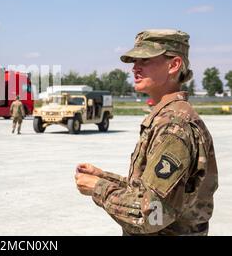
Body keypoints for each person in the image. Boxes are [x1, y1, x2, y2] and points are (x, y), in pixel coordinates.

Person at [74, 29, 218, 236]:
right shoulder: (168, 117)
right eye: (134, 61)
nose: (135, 68)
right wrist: (103, 177)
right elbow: (148, 191)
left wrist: (98, 187)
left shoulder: (173, 126)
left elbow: (152, 215)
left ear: (174, 65)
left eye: (145, 60)